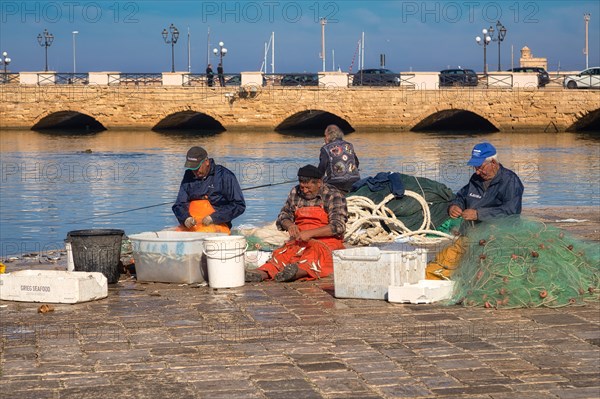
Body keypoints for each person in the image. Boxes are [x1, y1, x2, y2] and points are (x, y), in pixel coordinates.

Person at [426, 142, 524, 279]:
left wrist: (478, 214)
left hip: (497, 236)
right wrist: (455, 206)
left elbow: (511, 211)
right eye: (475, 167)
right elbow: (461, 196)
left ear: (494, 163)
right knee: (439, 265)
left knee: (479, 269)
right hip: (470, 235)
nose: (477, 171)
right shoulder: (476, 179)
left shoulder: (510, 181)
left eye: (480, 167)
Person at [245, 165, 348, 282]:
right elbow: (283, 216)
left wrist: (310, 233)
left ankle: (295, 273)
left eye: (308, 187)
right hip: (299, 240)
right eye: (302, 187)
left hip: (326, 242)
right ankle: (261, 273)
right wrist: (290, 225)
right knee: (282, 255)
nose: (304, 191)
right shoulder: (295, 192)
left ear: (319, 183)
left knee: (312, 257)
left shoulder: (334, 195)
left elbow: (338, 226)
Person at [172, 146, 246, 234]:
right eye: (192, 168)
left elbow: (239, 205)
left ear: (206, 162)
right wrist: (185, 218)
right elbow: (179, 205)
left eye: (197, 167)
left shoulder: (225, 176)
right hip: (192, 228)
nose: (194, 171)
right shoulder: (188, 175)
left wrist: (214, 218)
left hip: (216, 227)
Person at [317, 124, 360, 193]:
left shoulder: (325, 148)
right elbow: (356, 163)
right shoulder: (349, 145)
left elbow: (321, 168)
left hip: (336, 183)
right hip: (354, 180)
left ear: (328, 136)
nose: (324, 138)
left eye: (325, 136)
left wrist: (317, 179)